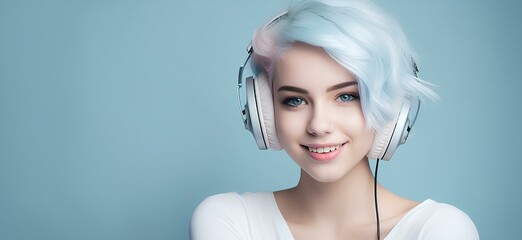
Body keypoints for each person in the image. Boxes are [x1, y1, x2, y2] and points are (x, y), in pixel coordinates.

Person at [190, 0, 479, 239]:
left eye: (345, 97)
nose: (319, 125)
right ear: (264, 110)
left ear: (390, 107)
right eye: (295, 100)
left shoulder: (439, 229)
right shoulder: (229, 219)